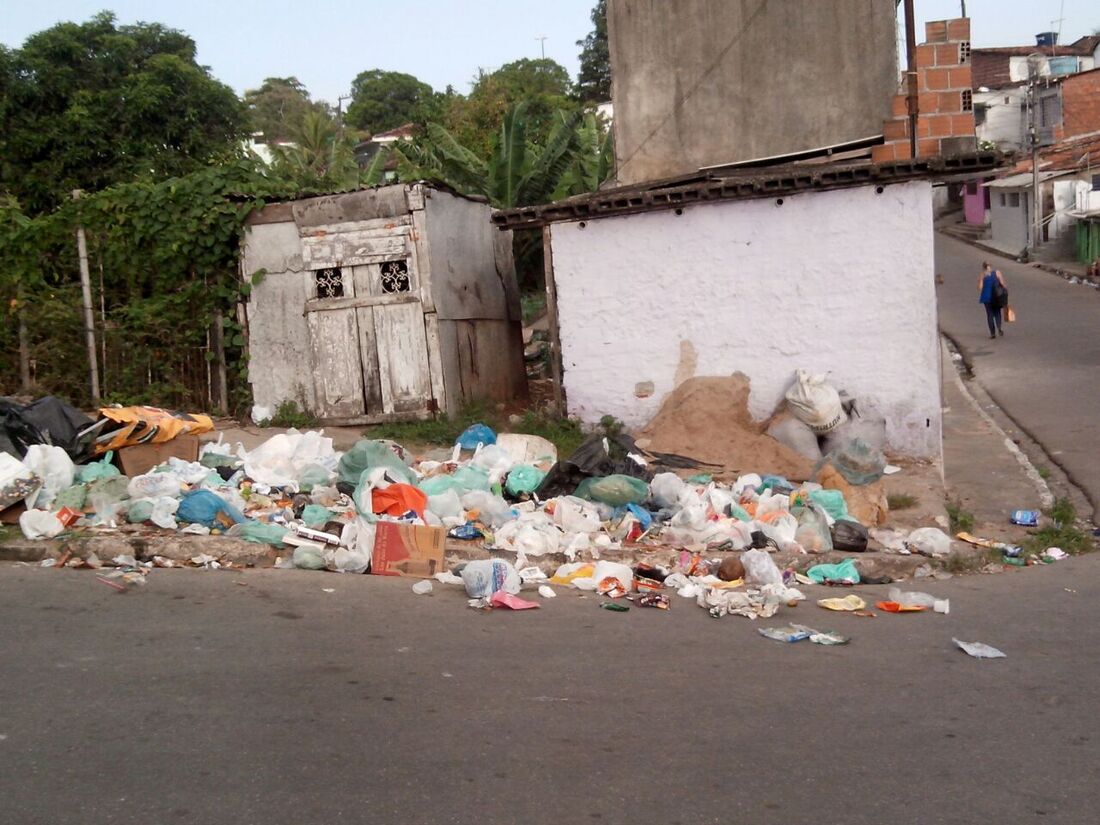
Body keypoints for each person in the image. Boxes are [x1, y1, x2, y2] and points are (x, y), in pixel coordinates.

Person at [978, 262, 1007, 339]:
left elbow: (980, 287)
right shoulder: (997, 273)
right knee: (997, 312)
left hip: (986, 297)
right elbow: (1002, 284)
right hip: (996, 296)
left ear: (983, 267)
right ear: (990, 266)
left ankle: (992, 333)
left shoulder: (983, 275)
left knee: (989, 314)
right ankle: (999, 327)